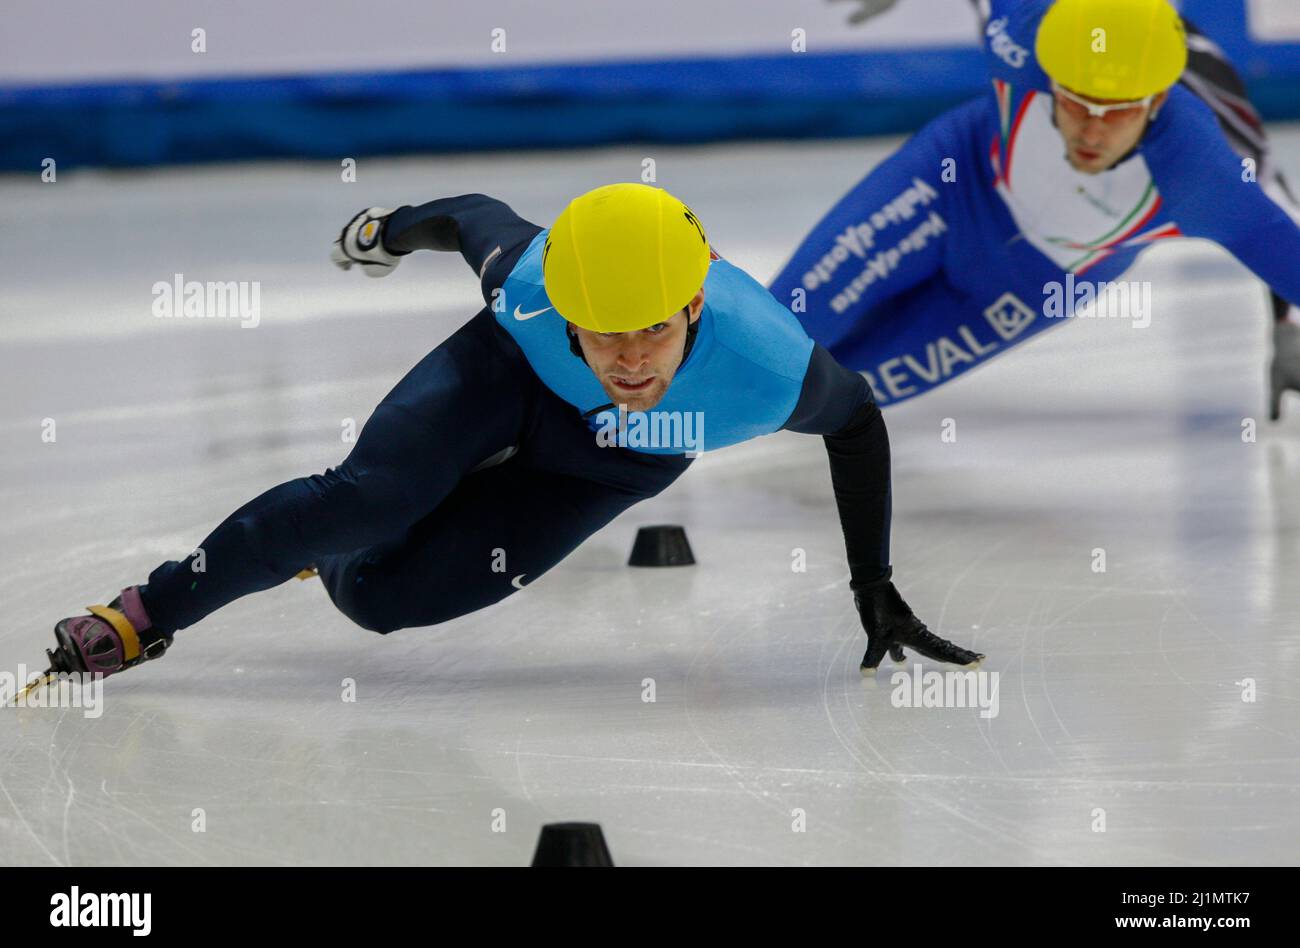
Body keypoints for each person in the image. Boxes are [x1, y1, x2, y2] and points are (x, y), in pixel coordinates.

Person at [36, 183, 983, 693]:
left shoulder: (773, 367)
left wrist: (875, 583)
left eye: (654, 328)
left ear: (695, 302)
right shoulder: (525, 283)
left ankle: (323, 559)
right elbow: (468, 216)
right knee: (369, 497)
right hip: (505, 377)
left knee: (381, 600)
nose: (627, 360)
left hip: (615, 463)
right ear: (559, 306)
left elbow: (857, 425)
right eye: (603, 332)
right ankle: (146, 613)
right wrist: (384, 233)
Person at [778, 0, 1300, 417]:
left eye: (1118, 112)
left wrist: (1287, 325)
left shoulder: (1201, 166)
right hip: (952, 183)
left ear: (1158, 102)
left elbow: (1275, 223)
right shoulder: (1024, 26)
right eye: (1074, 101)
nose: (1093, 130)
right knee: (776, 337)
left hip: (1040, 280)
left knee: (820, 399)